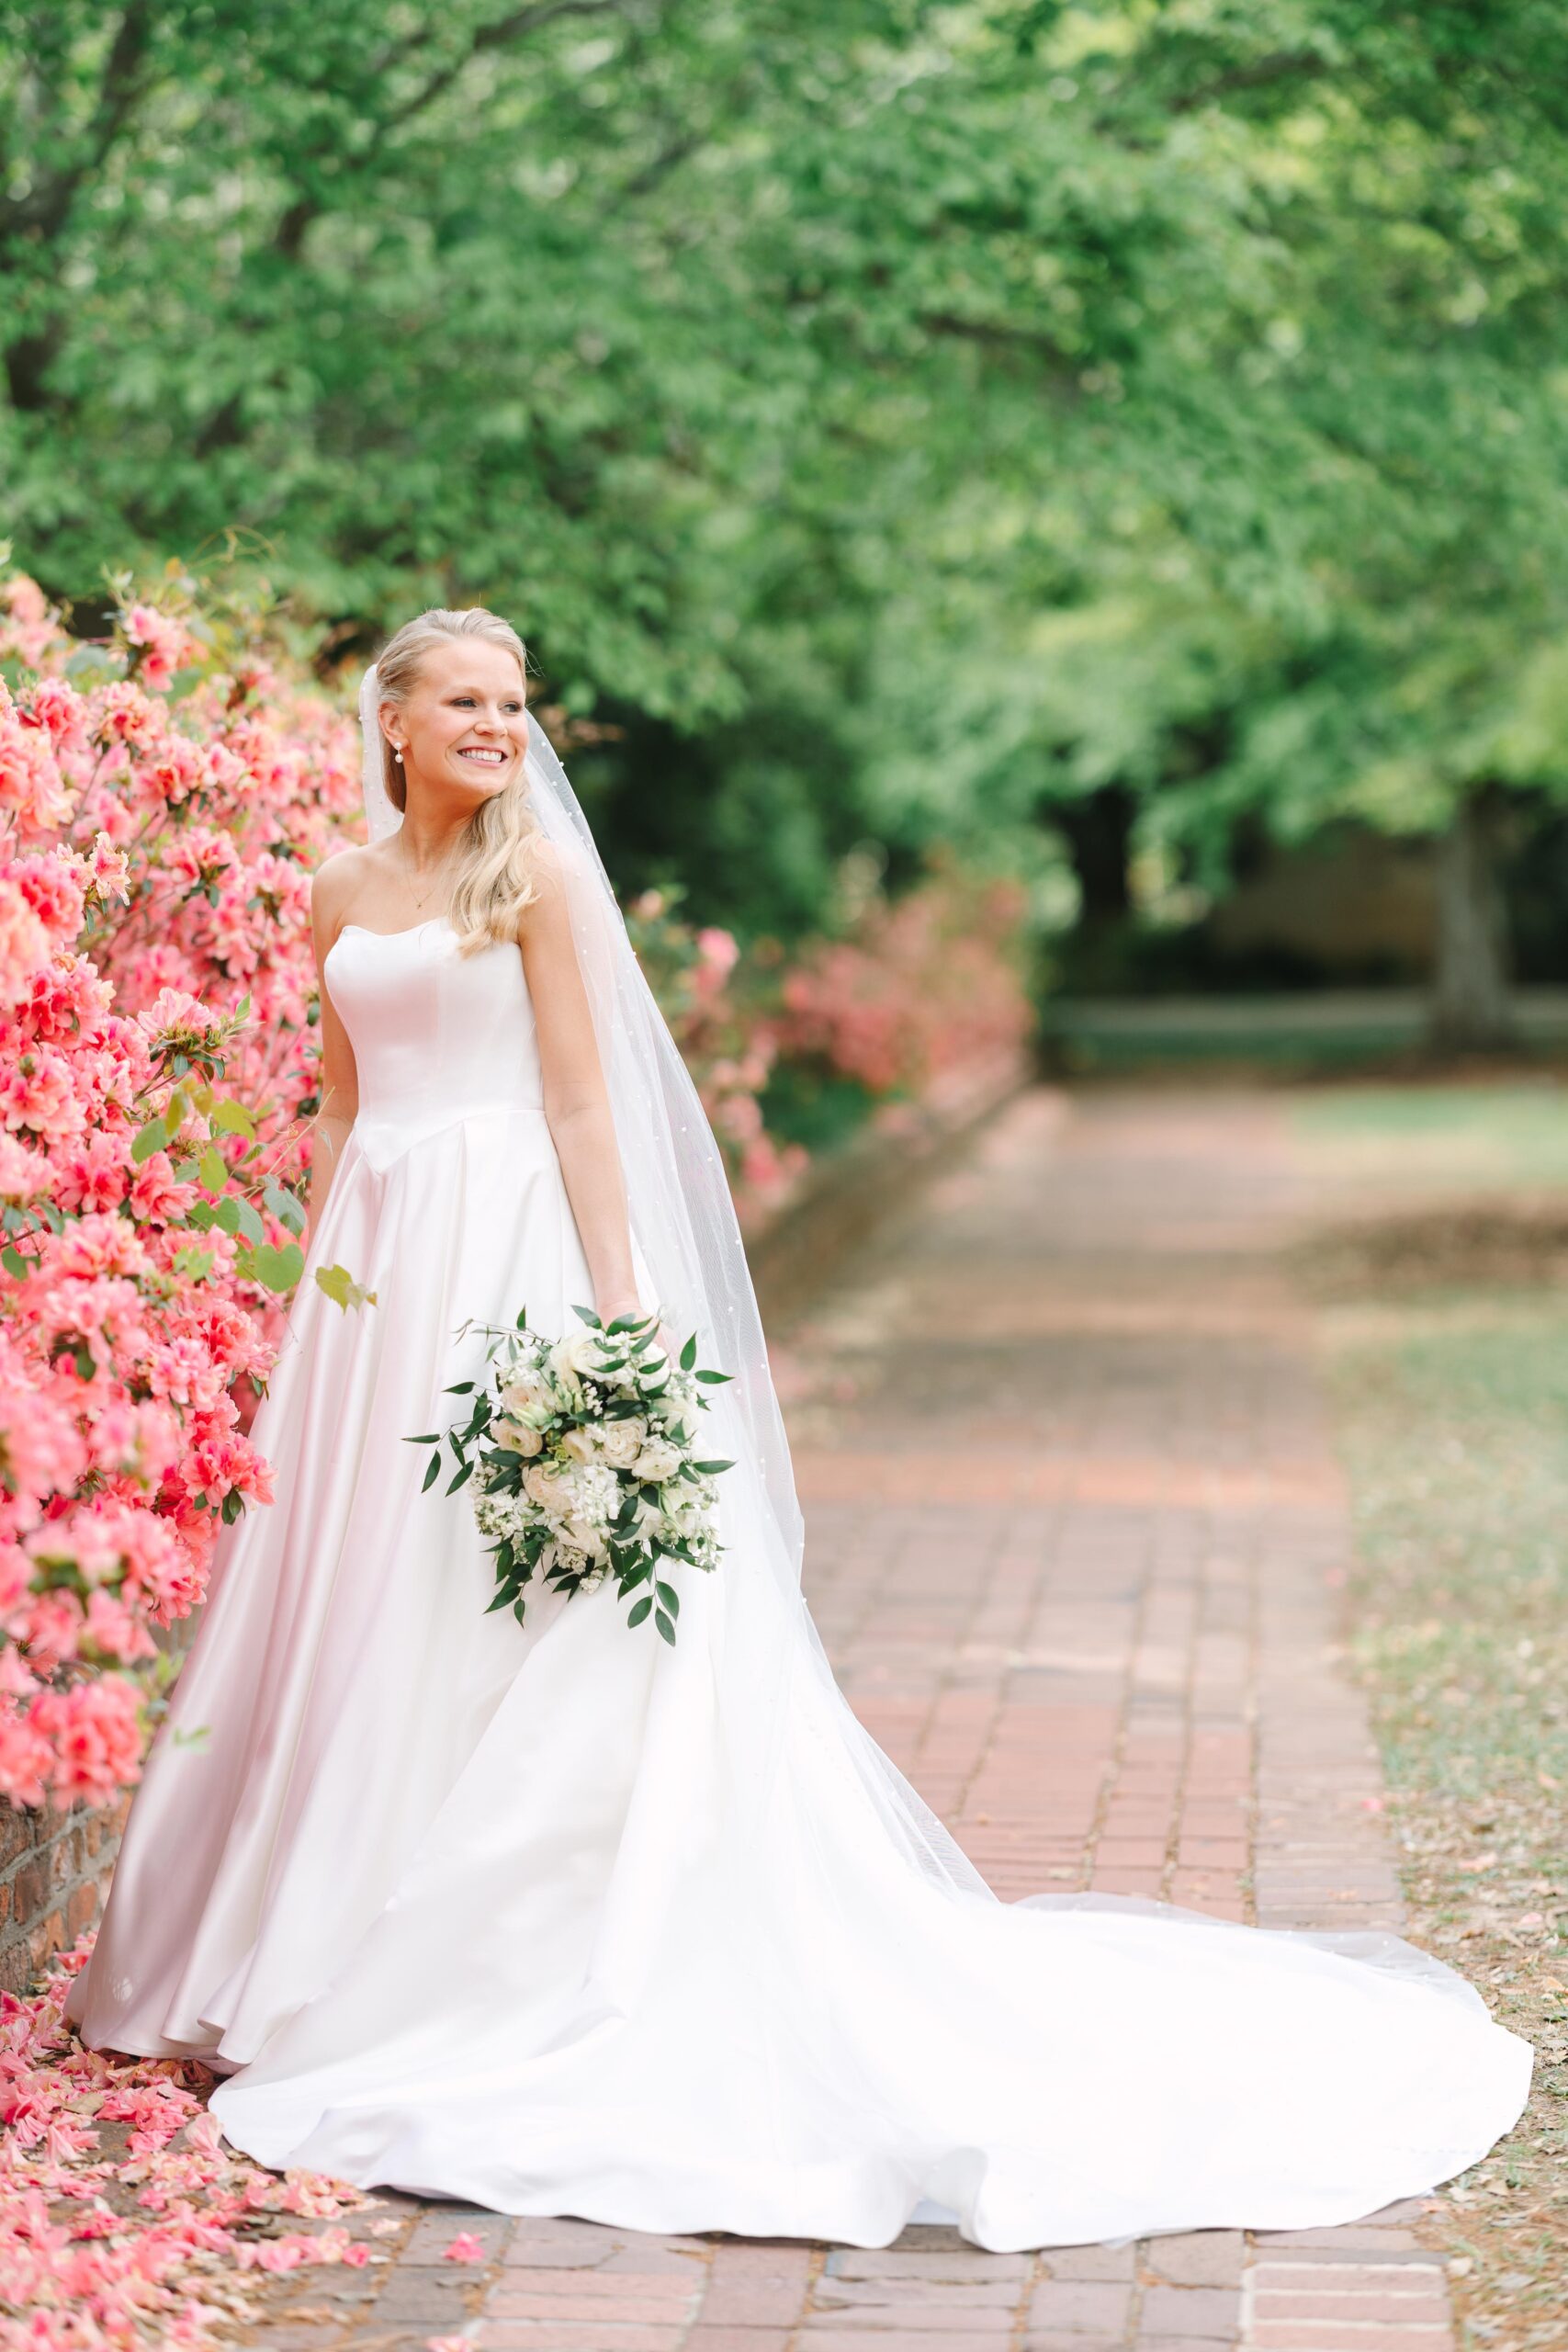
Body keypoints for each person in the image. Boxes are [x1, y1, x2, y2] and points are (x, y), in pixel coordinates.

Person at [67, 606, 1531, 2250]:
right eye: (464, 701)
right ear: (391, 719)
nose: (496, 724)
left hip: (512, 1262)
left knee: (483, 1593)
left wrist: (619, 1321)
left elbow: (576, 1105)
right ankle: (288, 1937)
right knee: (350, 1586)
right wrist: (308, 1296)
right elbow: (342, 1102)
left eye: (514, 702)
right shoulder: (338, 889)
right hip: (374, 1278)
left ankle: (465, 1948)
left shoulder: (534, 876)